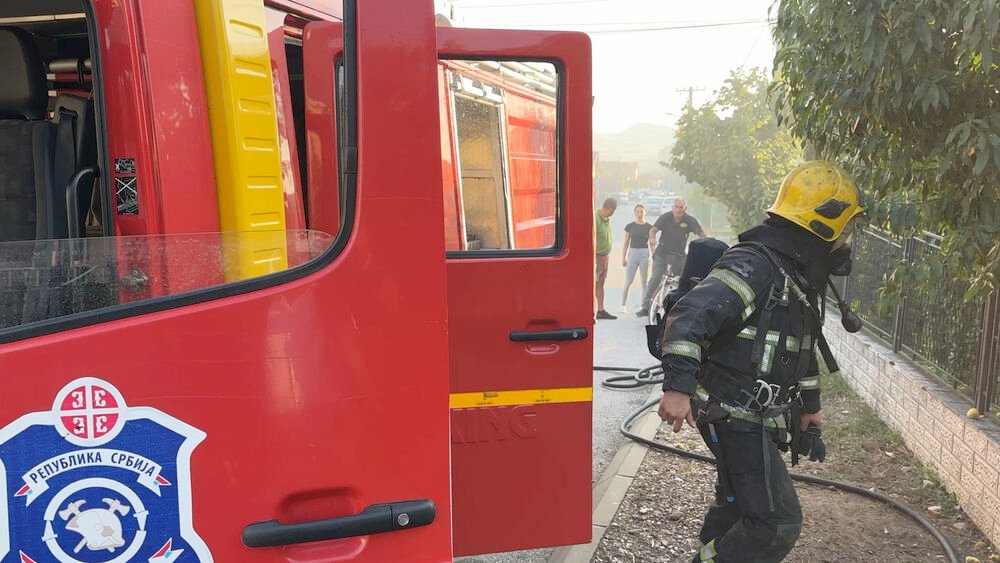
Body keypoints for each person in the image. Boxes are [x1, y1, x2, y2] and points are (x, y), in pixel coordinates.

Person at [656, 161, 865, 563]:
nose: (848, 240)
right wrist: (678, 387)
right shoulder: (756, 266)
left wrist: (810, 409)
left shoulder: (796, 274)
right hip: (731, 412)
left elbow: (800, 347)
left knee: (738, 506)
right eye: (847, 228)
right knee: (775, 523)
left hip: (752, 414)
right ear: (823, 225)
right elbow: (689, 318)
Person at [636, 197, 705, 317]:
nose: (678, 210)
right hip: (662, 253)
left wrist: (704, 244)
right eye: (676, 207)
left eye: (681, 208)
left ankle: (684, 308)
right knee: (656, 278)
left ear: (685, 208)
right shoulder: (666, 217)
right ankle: (645, 307)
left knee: (685, 280)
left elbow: (701, 233)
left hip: (679, 255)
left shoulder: (689, 220)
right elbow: (653, 230)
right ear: (672, 207)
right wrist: (652, 239)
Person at [620, 204, 652, 313]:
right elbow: (625, 243)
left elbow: (652, 243)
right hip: (632, 253)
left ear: (645, 213)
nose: (639, 214)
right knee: (628, 280)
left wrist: (653, 256)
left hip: (644, 253)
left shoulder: (649, 227)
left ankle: (644, 305)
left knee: (644, 281)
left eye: (641, 212)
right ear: (634, 213)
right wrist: (623, 258)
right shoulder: (630, 226)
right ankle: (622, 305)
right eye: (637, 212)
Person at [595, 197, 618, 320]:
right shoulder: (596, 219)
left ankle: (600, 309)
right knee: (595, 283)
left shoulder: (606, 219)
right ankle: (594, 309)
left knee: (601, 283)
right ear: (609, 209)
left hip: (604, 257)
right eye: (613, 211)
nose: (613, 214)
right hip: (597, 257)